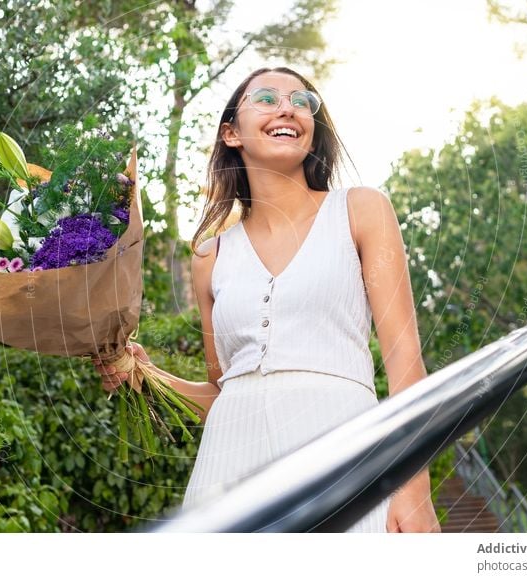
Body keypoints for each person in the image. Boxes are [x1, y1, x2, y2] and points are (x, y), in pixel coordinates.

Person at [94, 66, 440, 533]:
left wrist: (414, 489)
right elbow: (223, 393)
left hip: (344, 453)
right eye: (267, 98)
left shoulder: (361, 211)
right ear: (231, 132)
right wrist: (143, 374)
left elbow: (405, 362)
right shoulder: (208, 256)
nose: (287, 108)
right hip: (227, 473)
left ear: (313, 135)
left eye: (302, 102)